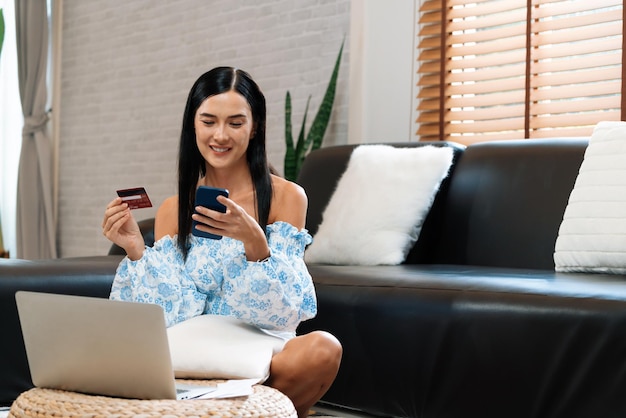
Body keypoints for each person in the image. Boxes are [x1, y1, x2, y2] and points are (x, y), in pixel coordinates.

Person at [102, 66, 342, 417]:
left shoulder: (286, 197)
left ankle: (235, 409)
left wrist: (256, 246)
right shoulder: (174, 209)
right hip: (192, 353)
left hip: (261, 349)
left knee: (323, 349)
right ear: (193, 125)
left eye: (235, 122)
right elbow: (171, 313)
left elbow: (286, 313)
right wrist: (137, 251)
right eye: (209, 121)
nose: (220, 135)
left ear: (255, 126)